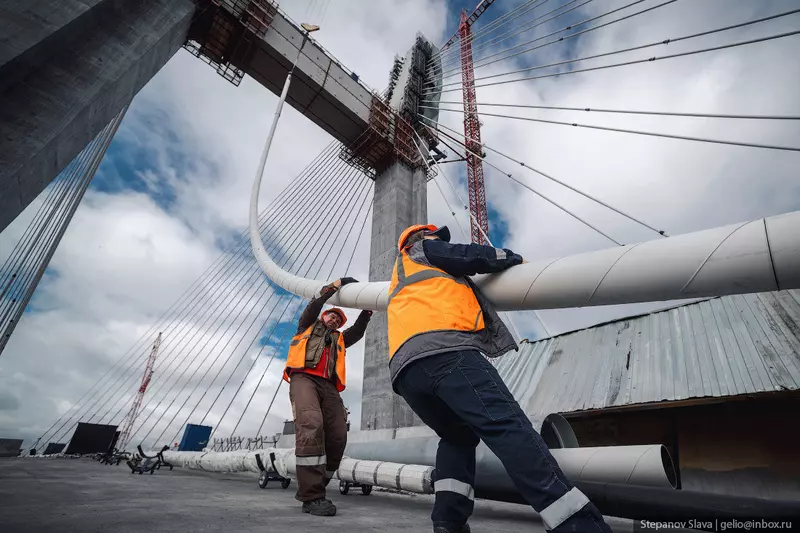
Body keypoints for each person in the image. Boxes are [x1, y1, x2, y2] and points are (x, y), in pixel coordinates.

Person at [387, 224, 611, 533]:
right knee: (509, 428)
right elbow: (470, 256)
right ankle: (576, 524)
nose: (440, 239)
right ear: (421, 236)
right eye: (436, 235)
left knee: (457, 436)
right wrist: (511, 257)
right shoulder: (423, 249)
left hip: (407, 374)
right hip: (446, 353)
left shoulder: (400, 279)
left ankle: (448, 522)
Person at [283, 277, 372, 517]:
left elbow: (358, 331)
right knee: (311, 422)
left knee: (337, 434)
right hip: (304, 379)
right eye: (331, 316)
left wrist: (367, 308)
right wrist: (337, 284)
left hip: (329, 386)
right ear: (324, 316)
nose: (334, 319)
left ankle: (318, 485)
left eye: (339, 320)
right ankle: (311, 496)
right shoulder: (307, 325)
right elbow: (315, 304)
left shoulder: (340, 339)